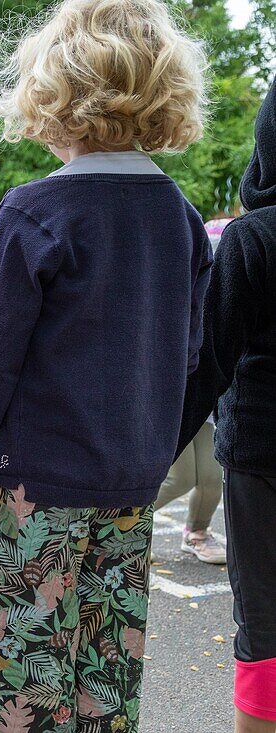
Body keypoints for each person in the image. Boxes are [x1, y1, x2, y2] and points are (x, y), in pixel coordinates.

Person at [0, 1, 210, 730]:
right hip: (131, 488)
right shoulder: (179, 216)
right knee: (108, 680)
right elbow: (194, 351)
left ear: (54, 93)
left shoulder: (37, 211)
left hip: (37, 492)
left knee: (27, 678)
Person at [176, 75, 276, 733]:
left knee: (264, 626)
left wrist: (149, 451)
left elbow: (206, 363)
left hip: (261, 460)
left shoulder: (251, 238)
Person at [153, 418, 226, 564]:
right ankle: (123, 524)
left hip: (204, 411)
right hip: (173, 409)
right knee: (180, 480)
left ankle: (197, 533)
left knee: (211, 480)